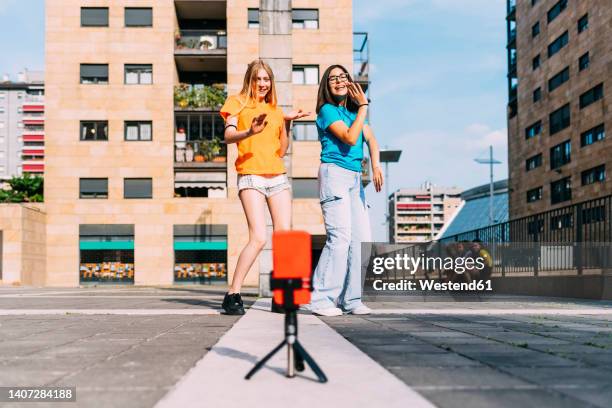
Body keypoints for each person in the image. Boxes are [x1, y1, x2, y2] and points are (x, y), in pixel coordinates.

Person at [219, 59, 309, 315]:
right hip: (251, 176)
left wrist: (288, 124)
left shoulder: (276, 110)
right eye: (258, 78)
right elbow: (228, 136)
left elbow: (281, 150)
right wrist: (250, 132)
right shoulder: (236, 103)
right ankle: (233, 294)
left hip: (277, 177)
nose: (262, 83)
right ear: (250, 79)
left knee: (285, 236)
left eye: (266, 79)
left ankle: (283, 296)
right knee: (258, 237)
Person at [308, 64, 383, 316]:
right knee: (339, 239)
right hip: (334, 175)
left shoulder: (353, 114)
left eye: (343, 77)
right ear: (327, 86)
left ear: (350, 82)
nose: (339, 81)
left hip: (353, 180)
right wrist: (363, 107)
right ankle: (320, 299)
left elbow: (371, 139)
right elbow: (351, 138)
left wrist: (375, 164)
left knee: (361, 240)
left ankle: (351, 300)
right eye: (333, 79)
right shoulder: (327, 111)